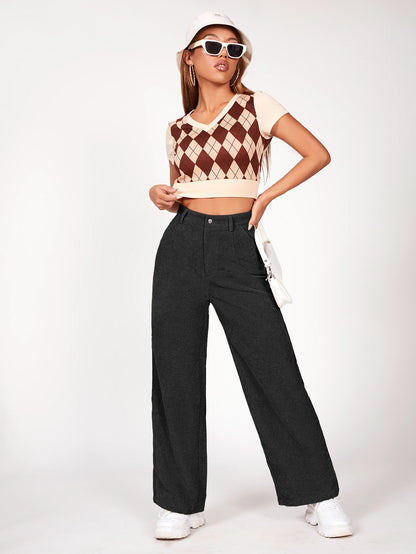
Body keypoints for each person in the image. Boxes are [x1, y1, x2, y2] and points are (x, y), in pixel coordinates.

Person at [149, 11, 353, 541]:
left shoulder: (257, 105)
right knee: (175, 374)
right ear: (189, 58)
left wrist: (266, 196)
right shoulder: (176, 128)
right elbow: (178, 193)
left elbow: (317, 154)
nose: (224, 55)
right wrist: (158, 194)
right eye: (212, 46)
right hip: (181, 247)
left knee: (273, 367)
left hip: (238, 244)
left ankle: (319, 494)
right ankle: (179, 503)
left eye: (233, 48)